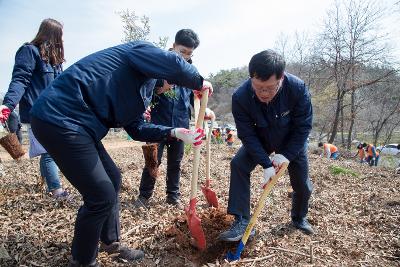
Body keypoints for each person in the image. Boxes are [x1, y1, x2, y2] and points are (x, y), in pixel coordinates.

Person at [1, 40, 213, 266]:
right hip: (60, 117)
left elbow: (136, 127)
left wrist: (175, 132)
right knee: (100, 196)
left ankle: (110, 243)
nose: (168, 89)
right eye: (170, 84)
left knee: (113, 178)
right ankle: (83, 261)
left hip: (82, 126)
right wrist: (199, 82)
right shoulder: (141, 51)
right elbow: (175, 63)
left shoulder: (144, 90)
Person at [218, 49, 313, 243]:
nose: (263, 93)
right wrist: (266, 163)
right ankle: (242, 220)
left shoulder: (297, 89)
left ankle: (299, 217)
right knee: (238, 164)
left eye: (270, 88)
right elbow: (246, 134)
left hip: (291, 140)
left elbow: (303, 126)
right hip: (261, 138)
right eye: (258, 87)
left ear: (281, 78)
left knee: (301, 183)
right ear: (251, 78)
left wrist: (285, 155)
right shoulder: (241, 97)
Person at [134, 29, 204, 209]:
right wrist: (160, 89)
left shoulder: (191, 71)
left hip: (181, 124)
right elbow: (147, 91)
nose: (186, 57)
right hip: (157, 124)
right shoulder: (159, 66)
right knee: (152, 160)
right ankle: (144, 196)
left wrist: (204, 107)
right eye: (182, 52)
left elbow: (195, 98)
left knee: (176, 163)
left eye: (190, 54)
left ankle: (173, 196)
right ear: (173, 47)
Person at [0, 18, 69, 198]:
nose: (62, 39)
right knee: (49, 151)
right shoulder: (29, 52)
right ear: (52, 34)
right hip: (38, 112)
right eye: (60, 35)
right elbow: (20, 80)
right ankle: (56, 191)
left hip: (55, 112)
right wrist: (7, 106)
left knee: (50, 149)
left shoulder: (54, 60)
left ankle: (47, 185)